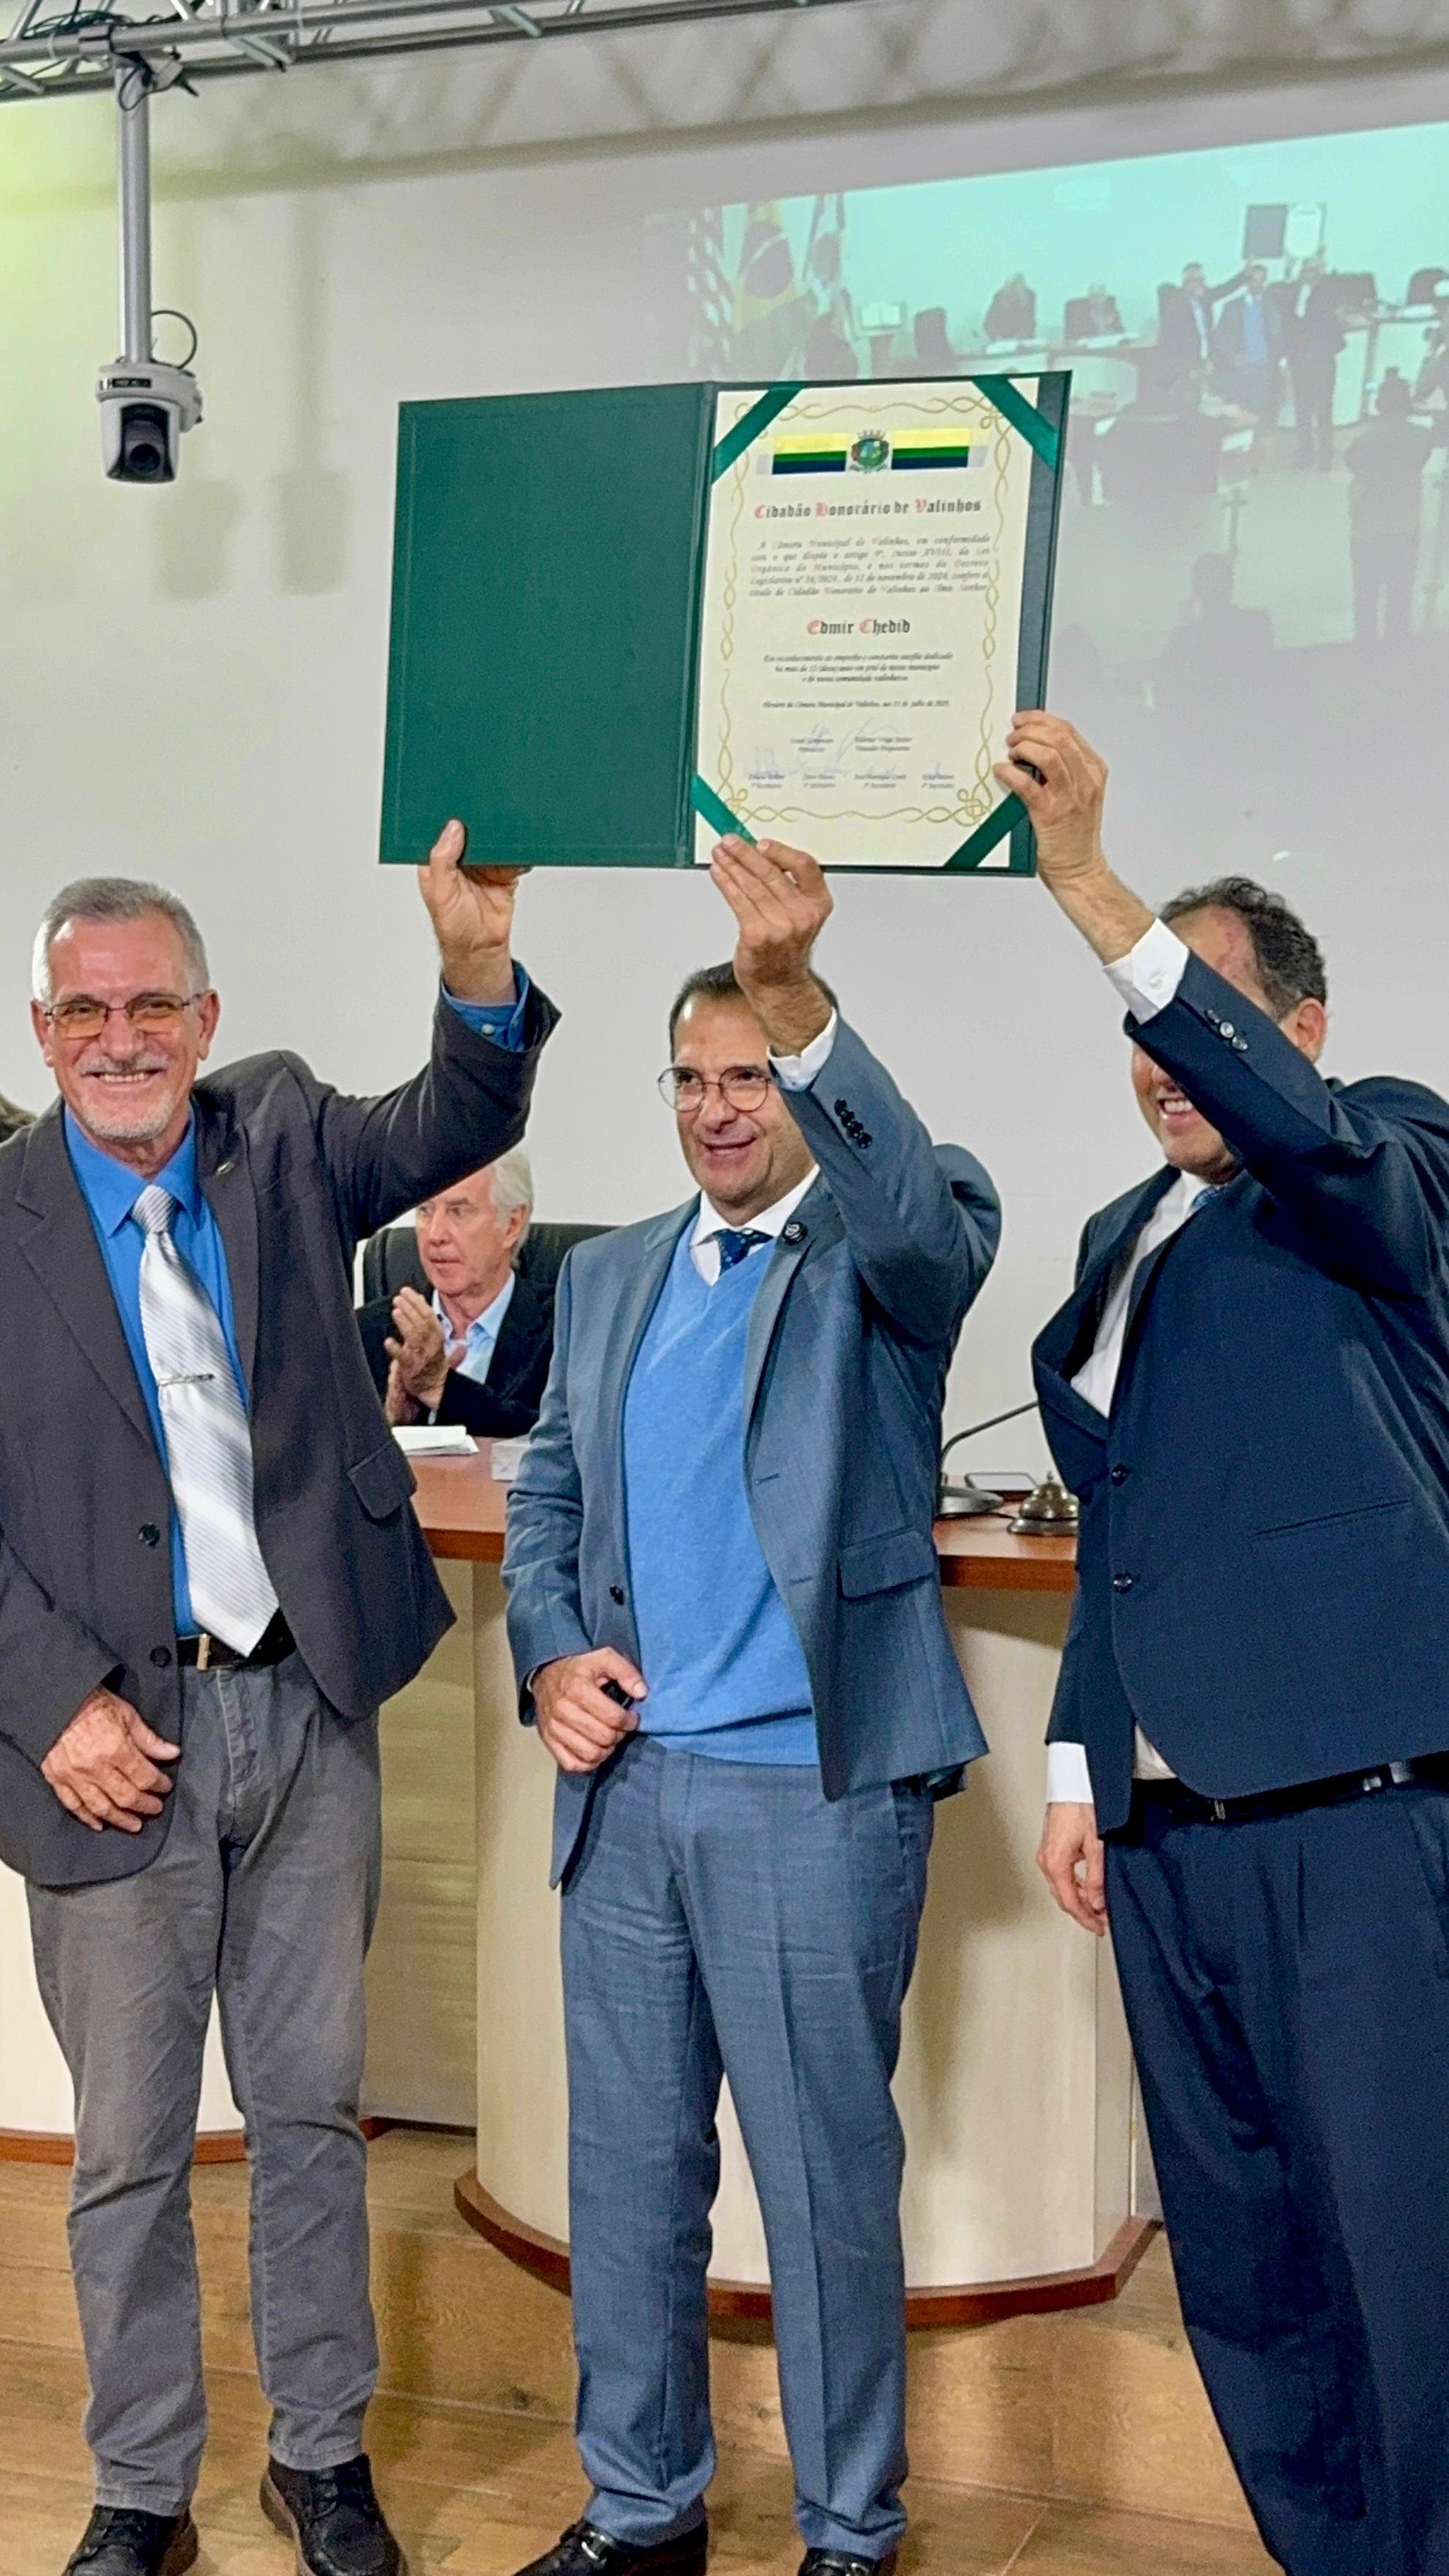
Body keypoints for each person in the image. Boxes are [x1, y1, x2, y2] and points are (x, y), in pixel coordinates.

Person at [4, 837, 554, 2576]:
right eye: (84, 1010)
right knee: (127, 2148)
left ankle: (322, 2454)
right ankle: (140, 2488)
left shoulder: (284, 1132)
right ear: (41, 1027)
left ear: (205, 1015)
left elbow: (456, 1114)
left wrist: (478, 965)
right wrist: (53, 1704)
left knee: (312, 2110)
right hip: (111, 1746)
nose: (119, 1037)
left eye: (150, 1004)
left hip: (304, 1709)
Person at [502, 834, 1000, 2576]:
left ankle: (850, 2526)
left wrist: (798, 999)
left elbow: (916, 1221)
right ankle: (640, 2505)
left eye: (750, 1074)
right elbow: (549, 1495)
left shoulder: (886, 1251)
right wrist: (548, 1654)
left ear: (795, 1079)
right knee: (629, 2178)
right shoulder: (609, 1272)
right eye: (692, 1078)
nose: (719, 1108)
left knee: (819, 2180)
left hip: (811, 1790)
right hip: (626, 1795)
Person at [1006, 709, 1449, 2576]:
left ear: (1296, 1028)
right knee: (1248, 2269)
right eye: (1138, 1027)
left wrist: (1095, 891)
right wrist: (1074, 1761)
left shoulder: (1386, 1155)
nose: (1155, 1058)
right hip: (1169, 1840)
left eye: (1191, 1013)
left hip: (1354, 1815)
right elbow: (1119, 1530)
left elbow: (1314, 1137)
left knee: (1402, 2257)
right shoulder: (1121, 1236)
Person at [355, 1146, 553, 1439]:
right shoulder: (362, 1334)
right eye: (425, 1211)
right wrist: (391, 1425)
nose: (435, 1235)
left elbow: (562, 1441)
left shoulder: (565, 1330)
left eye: (458, 1212)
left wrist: (443, 1389)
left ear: (512, 1225)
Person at [1346, 369, 1432, 643]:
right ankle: (1397, 655)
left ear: (1379, 404)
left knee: (1366, 598)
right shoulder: (1422, 438)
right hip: (1405, 526)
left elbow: (1354, 465)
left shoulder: (1362, 443)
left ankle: (1365, 655)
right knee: (1400, 598)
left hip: (1368, 527)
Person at [1280, 253, 1346, 470]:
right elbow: (1289, 318)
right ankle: (1305, 451)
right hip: (1299, 358)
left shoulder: (1328, 291)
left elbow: (1326, 318)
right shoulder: (1295, 291)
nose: (1304, 274)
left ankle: (1325, 453)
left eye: (1309, 270)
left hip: (1321, 358)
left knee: (1324, 407)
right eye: (1303, 270)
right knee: (1303, 407)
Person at [1212, 263, 1284, 455]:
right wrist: (1232, 356)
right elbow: (1221, 337)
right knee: (1240, 411)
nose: (1257, 285)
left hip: (1265, 366)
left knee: (1260, 410)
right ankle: (1239, 451)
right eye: (1253, 280)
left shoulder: (1273, 306)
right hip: (1240, 369)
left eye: (1261, 280)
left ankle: (1255, 452)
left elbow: (1280, 333)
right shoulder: (1232, 307)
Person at [983, 272, 1036, 342]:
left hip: (1023, 340)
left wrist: (1023, 337)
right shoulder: (998, 298)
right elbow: (989, 323)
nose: (1014, 288)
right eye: (1012, 285)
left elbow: (1029, 321)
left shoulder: (1028, 298)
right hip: (999, 339)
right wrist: (996, 337)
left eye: (1017, 285)